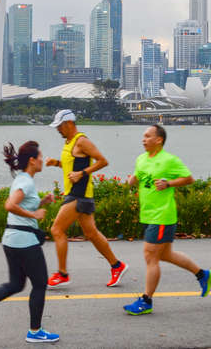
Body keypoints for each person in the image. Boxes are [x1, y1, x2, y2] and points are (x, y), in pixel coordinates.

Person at [0, 141, 60, 343]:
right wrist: (34, 213)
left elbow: (21, 202)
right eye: (40, 157)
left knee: (16, 284)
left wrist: (41, 202)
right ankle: (35, 332)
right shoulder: (25, 181)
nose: (43, 160)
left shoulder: (23, 179)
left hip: (12, 239)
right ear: (33, 160)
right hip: (24, 241)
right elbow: (10, 205)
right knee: (40, 283)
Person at [123, 124, 211, 315]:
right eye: (143, 136)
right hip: (148, 214)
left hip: (162, 215)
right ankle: (202, 274)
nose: (143, 139)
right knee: (165, 255)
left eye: (148, 136)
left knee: (150, 256)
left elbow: (189, 178)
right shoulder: (141, 159)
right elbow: (138, 177)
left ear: (159, 140)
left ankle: (146, 301)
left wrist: (169, 183)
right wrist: (132, 180)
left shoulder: (169, 160)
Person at [45, 110, 128, 288]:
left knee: (57, 230)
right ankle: (117, 265)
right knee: (91, 233)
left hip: (79, 194)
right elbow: (72, 166)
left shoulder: (82, 141)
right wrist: (57, 163)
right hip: (77, 194)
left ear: (68, 123)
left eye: (59, 126)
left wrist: (82, 173)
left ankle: (62, 274)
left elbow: (102, 161)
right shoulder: (69, 142)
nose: (58, 130)